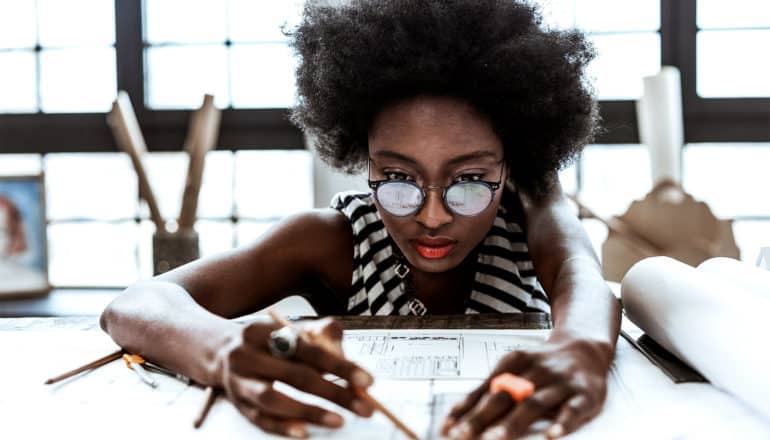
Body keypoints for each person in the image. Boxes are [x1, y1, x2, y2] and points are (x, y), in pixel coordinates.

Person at [100, 0, 621, 438]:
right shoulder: (331, 239)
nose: (432, 216)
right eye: (398, 178)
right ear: (365, 161)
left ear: (510, 168)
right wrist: (219, 349)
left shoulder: (534, 212)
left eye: (467, 182)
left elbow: (583, 275)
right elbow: (136, 305)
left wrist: (582, 346)